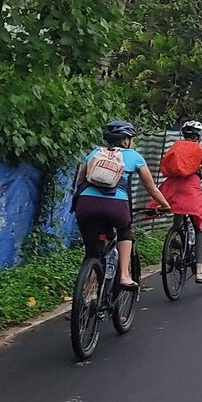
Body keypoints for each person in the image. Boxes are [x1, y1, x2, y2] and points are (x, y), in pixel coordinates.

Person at [74, 120, 170, 288]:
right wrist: (165, 205)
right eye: (132, 139)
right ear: (126, 140)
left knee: (92, 253)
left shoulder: (94, 153)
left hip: (86, 204)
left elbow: (80, 181)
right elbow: (152, 188)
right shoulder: (134, 156)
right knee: (125, 230)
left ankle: (85, 296)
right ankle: (124, 275)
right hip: (116, 207)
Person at [151, 120, 202, 283]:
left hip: (172, 188)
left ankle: (175, 242)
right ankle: (199, 271)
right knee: (200, 227)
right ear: (199, 136)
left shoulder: (175, 148)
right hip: (191, 190)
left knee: (178, 218)